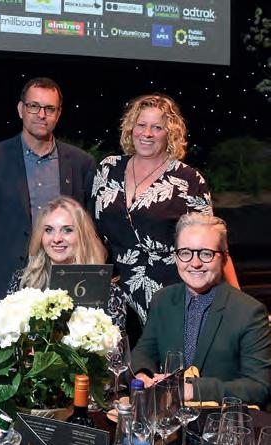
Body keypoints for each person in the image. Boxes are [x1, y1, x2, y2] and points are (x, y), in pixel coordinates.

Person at [91, 93, 238, 327]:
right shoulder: (108, 169)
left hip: (172, 298)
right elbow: (94, 234)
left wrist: (238, 305)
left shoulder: (188, 180)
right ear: (131, 128)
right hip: (116, 299)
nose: (147, 133)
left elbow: (214, 246)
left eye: (157, 127)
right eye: (141, 125)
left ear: (170, 134)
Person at [0, 77, 96, 305]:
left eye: (49, 108)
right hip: (2, 282)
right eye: (34, 106)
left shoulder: (81, 163)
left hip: (64, 282)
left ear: (58, 113)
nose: (41, 114)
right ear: (21, 109)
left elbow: (88, 226)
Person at [132, 213, 271, 406]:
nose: (195, 263)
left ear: (224, 258)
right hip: (168, 416)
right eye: (185, 253)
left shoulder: (249, 312)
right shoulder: (162, 300)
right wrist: (142, 375)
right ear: (176, 257)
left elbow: (259, 388)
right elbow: (144, 351)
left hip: (218, 421)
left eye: (206, 253)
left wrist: (191, 390)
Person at [8, 196, 126, 330]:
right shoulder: (22, 282)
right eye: (48, 230)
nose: (57, 239)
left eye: (67, 230)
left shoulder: (107, 291)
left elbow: (114, 341)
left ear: (82, 235)